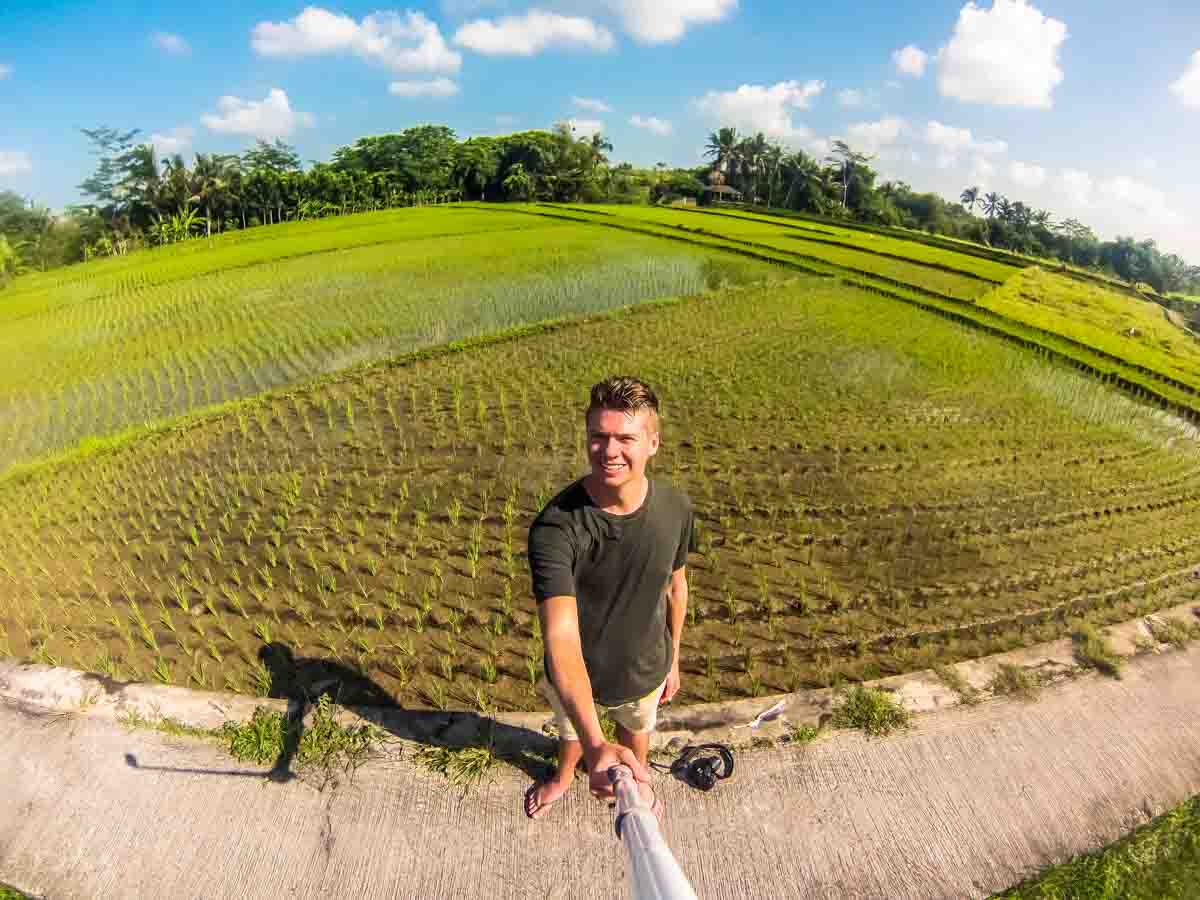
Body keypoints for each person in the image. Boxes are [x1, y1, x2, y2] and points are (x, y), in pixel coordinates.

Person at [524, 375, 694, 821]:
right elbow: (560, 637)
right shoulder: (556, 528)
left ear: (653, 443)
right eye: (598, 437)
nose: (610, 451)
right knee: (572, 735)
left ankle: (639, 788)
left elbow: (676, 587)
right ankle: (563, 777)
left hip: (645, 669)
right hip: (577, 675)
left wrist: (673, 657)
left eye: (625, 438)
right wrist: (596, 743)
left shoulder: (675, 509)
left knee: (637, 736)